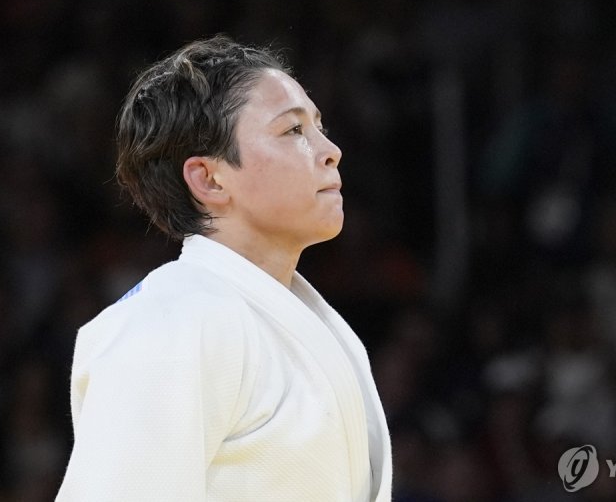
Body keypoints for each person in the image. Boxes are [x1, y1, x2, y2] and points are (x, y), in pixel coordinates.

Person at [55, 35, 393, 501]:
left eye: (319, 126)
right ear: (209, 179)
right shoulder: (169, 324)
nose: (330, 150)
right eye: (293, 131)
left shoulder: (305, 319)